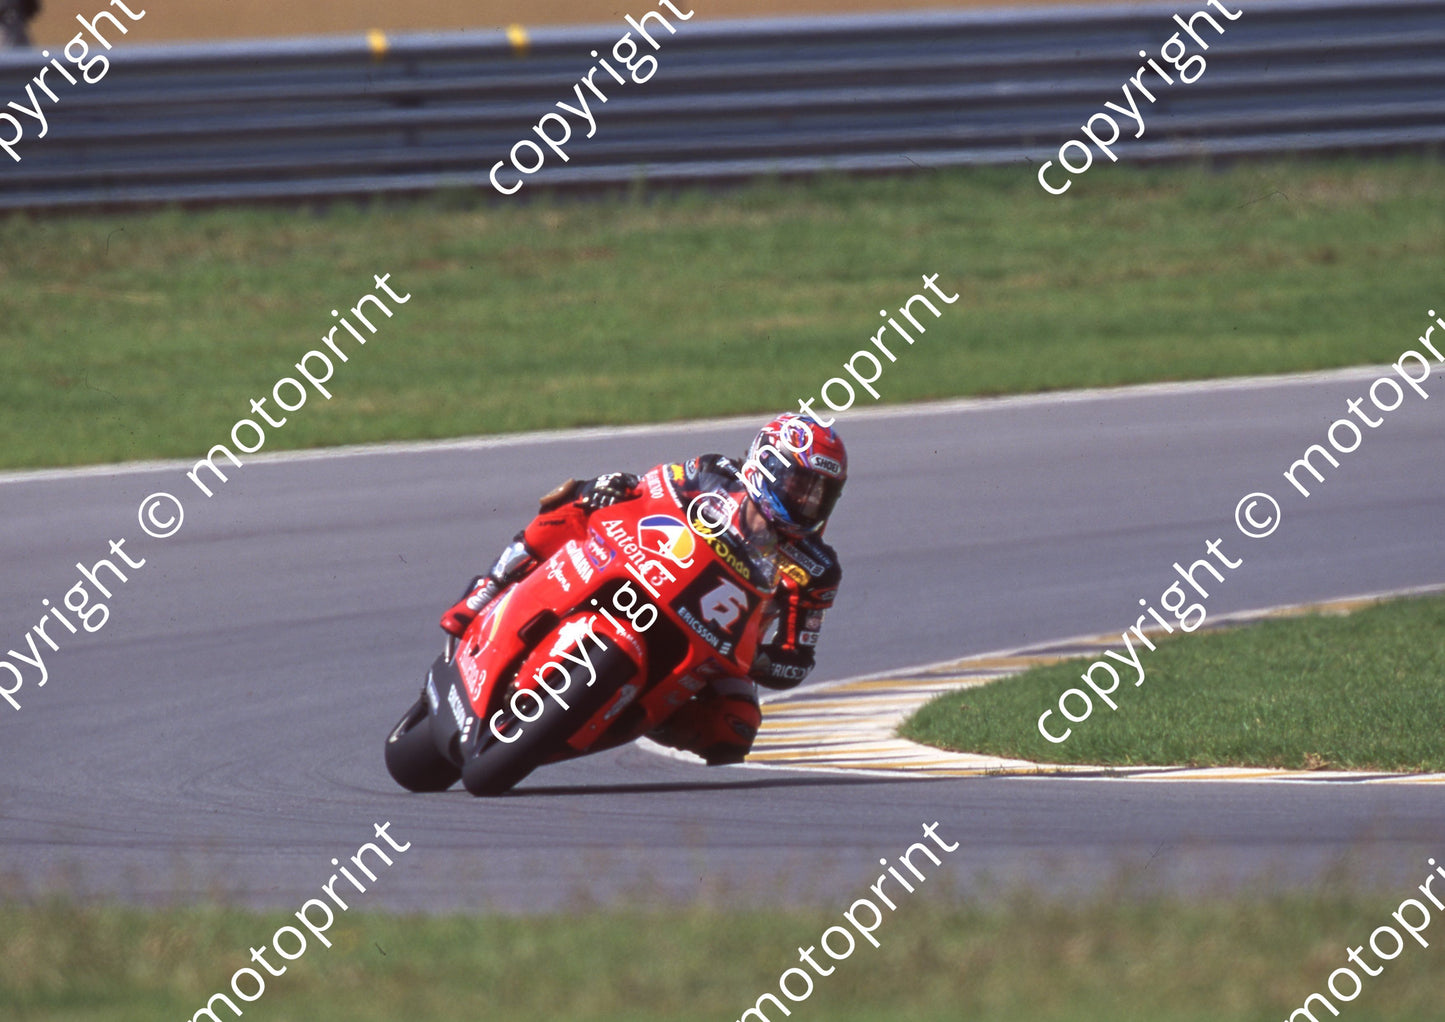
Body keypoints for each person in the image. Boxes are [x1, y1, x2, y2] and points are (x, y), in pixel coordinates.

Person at [440, 412, 846, 765]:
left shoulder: (817, 569)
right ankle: (492, 586)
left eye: (820, 493)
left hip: (715, 643)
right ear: (768, 465)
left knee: (734, 728)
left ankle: (633, 714)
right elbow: (647, 486)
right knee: (577, 499)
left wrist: (757, 661)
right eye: (800, 484)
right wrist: (611, 487)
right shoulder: (715, 472)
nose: (808, 500)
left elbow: (797, 658)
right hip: (651, 572)